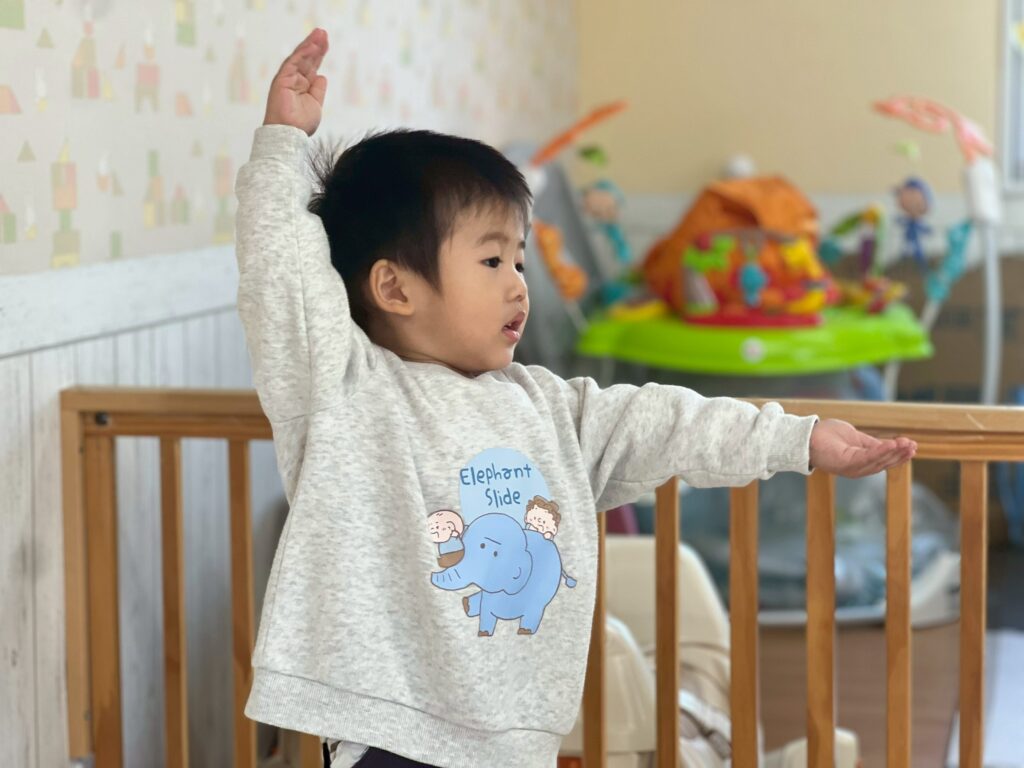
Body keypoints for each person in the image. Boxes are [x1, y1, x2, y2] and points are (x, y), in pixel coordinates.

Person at [236, 28, 917, 768]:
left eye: (520, 260)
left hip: (512, 739)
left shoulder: (549, 407)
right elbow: (282, 277)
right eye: (492, 259)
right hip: (389, 731)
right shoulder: (346, 391)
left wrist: (800, 439)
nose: (518, 284)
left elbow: (671, 423)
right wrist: (282, 147)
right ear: (395, 287)